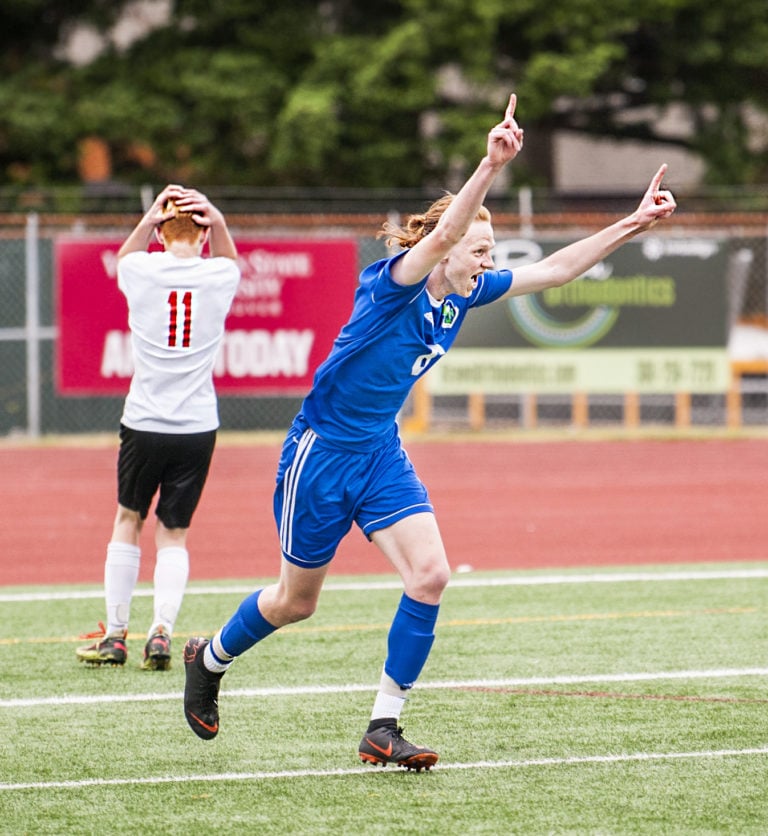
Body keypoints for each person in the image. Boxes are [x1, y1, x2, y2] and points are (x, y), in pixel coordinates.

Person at [182, 93, 676, 768]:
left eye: (491, 250)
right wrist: (490, 164)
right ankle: (208, 659)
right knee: (296, 602)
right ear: (448, 249)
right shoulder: (397, 284)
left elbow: (557, 268)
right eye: (481, 247)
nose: (486, 259)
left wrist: (633, 224)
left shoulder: (464, 291)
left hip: (380, 450)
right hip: (322, 454)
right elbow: (443, 236)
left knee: (432, 574)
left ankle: (383, 725)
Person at [77, 185, 241, 671]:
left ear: (161, 231)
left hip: (144, 419)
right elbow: (229, 258)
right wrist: (220, 221)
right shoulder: (218, 274)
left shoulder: (141, 269)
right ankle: (161, 632)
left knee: (128, 520)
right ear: (205, 230)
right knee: (174, 534)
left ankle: (116, 634)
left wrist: (150, 218)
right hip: (196, 425)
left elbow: (127, 252)